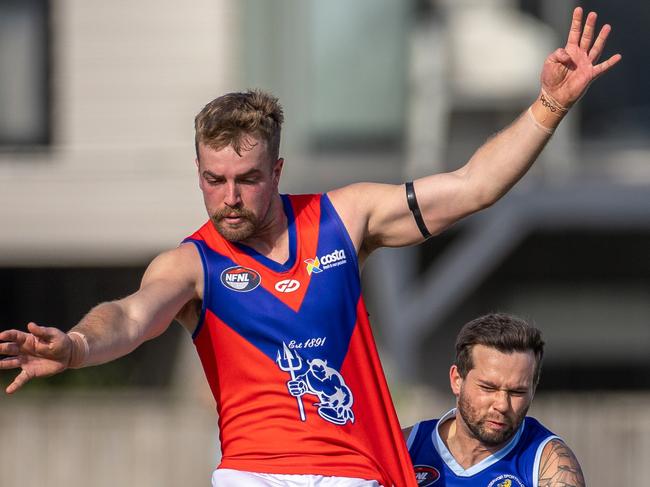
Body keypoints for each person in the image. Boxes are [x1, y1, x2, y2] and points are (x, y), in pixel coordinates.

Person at [1, 7, 617, 487]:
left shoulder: (343, 219)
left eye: (247, 180)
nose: (229, 198)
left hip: (356, 472)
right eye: (214, 180)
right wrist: (78, 345)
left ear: (278, 171)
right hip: (255, 473)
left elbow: (472, 187)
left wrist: (550, 105)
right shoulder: (191, 264)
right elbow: (131, 316)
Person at [403, 313, 584, 487]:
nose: (502, 405)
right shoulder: (403, 448)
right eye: (488, 388)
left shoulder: (550, 464)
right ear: (457, 380)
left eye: (517, 392)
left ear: (533, 390)